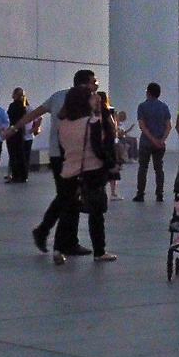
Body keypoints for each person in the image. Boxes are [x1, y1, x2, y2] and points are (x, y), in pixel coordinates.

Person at [13, 70, 99, 255]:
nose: (96, 85)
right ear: (85, 84)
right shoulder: (85, 100)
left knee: (66, 196)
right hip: (72, 154)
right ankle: (59, 239)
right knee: (69, 198)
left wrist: (14, 128)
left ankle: (50, 234)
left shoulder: (58, 96)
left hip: (57, 153)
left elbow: (35, 113)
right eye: (94, 81)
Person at [50, 85, 118, 264]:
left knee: (67, 212)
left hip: (67, 171)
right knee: (96, 214)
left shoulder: (62, 125)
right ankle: (99, 251)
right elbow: (98, 149)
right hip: (91, 172)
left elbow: (63, 148)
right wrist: (111, 165)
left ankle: (58, 249)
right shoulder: (92, 122)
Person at [133, 82, 171, 202]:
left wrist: (152, 139)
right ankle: (159, 195)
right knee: (159, 169)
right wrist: (161, 140)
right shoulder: (164, 107)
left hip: (146, 143)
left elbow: (142, 126)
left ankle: (140, 194)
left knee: (143, 168)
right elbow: (168, 126)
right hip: (160, 144)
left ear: (148, 92)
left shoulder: (142, 107)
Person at [93, 90, 126, 199]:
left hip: (98, 141)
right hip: (108, 141)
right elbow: (112, 124)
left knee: (100, 164)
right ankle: (113, 192)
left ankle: (100, 189)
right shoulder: (107, 111)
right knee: (112, 163)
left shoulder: (94, 111)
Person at [4, 88, 31, 183]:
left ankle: (16, 175)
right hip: (20, 132)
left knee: (14, 154)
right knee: (20, 154)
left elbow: (9, 118)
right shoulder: (23, 106)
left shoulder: (14, 105)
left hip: (13, 132)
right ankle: (23, 175)